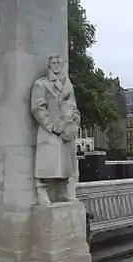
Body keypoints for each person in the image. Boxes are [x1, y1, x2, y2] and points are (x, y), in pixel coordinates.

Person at [31, 55, 81, 206]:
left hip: (67, 130)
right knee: (46, 163)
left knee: (66, 163)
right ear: (49, 65)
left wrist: (76, 119)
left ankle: (63, 190)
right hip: (50, 130)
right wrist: (53, 126)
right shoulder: (41, 84)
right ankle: (41, 191)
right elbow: (37, 108)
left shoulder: (68, 84)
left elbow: (73, 106)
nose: (56, 65)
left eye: (58, 63)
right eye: (53, 63)